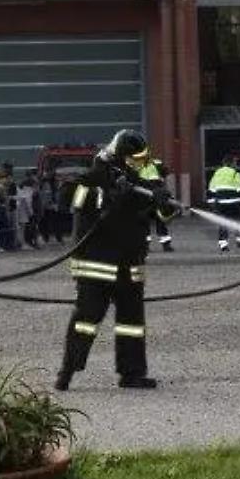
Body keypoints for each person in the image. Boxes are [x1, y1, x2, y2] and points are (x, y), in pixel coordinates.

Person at [55, 130, 182, 391]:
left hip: (129, 266)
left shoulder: (137, 183)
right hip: (96, 266)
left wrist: (164, 201)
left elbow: (164, 217)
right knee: (86, 320)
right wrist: (108, 194)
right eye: (135, 159)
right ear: (120, 156)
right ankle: (67, 371)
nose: (139, 164)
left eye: (143, 159)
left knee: (131, 324)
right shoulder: (94, 177)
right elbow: (67, 198)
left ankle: (132, 373)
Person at [207, 154, 240, 251]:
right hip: (235, 203)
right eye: (235, 162)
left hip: (221, 203)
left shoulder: (217, 173)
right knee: (239, 221)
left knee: (223, 223)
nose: (236, 164)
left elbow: (211, 189)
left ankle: (223, 244)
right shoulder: (235, 173)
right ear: (231, 163)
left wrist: (211, 203)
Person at [140, 156, 174, 253]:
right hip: (146, 195)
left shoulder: (155, 163)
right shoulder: (137, 165)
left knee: (160, 219)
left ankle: (165, 244)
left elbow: (165, 172)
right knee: (145, 221)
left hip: (155, 194)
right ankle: (146, 245)